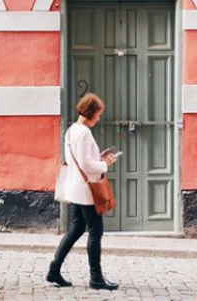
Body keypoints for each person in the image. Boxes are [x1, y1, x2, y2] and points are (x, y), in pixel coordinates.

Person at [46, 93, 119, 291]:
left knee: (77, 229)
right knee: (95, 232)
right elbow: (86, 164)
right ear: (92, 112)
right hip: (87, 191)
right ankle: (96, 278)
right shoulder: (85, 133)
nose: (99, 118)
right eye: (98, 114)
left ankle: (54, 269)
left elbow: (76, 160)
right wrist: (105, 163)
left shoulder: (71, 131)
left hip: (75, 188)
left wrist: (98, 156)